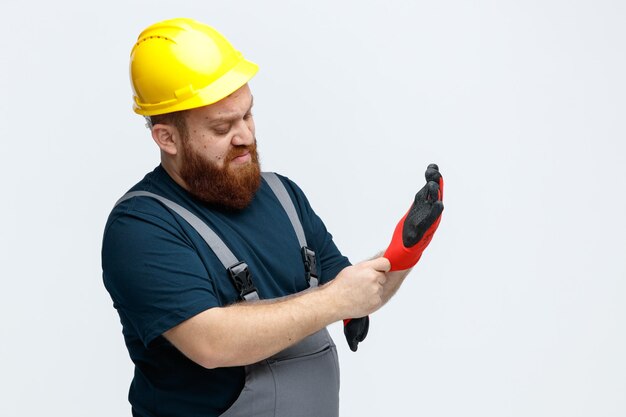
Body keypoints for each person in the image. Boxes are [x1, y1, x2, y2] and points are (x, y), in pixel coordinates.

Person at [102, 17, 444, 417]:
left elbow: (354, 295)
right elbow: (211, 343)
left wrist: (406, 249)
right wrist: (336, 299)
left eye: (247, 115)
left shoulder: (283, 195)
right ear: (167, 138)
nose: (245, 135)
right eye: (222, 126)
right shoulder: (142, 226)